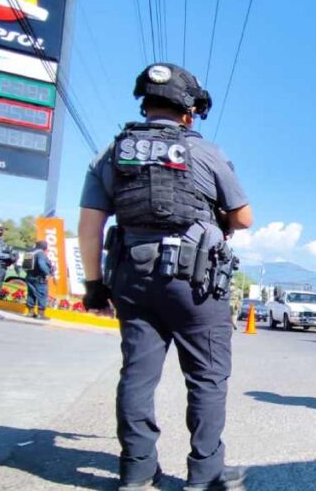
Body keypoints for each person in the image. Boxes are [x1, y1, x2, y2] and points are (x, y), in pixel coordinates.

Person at [78, 63, 253, 491]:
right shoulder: (205, 151)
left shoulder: (112, 151)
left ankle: (136, 471)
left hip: (132, 276)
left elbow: (89, 224)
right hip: (194, 280)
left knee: (137, 374)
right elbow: (244, 218)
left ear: (145, 103)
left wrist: (94, 284)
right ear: (188, 113)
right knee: (207, 377)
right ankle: (204, 473)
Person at [25, 240, 53, 320]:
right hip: (39, 278)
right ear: (45, 247)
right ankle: (41, 314)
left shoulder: (30, 252)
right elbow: (41, 264)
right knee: (42, 295)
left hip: (29, 277)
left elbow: (25, 265)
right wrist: (47, 273)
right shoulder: (40, 253)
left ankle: (30, 312)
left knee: (31, 294)